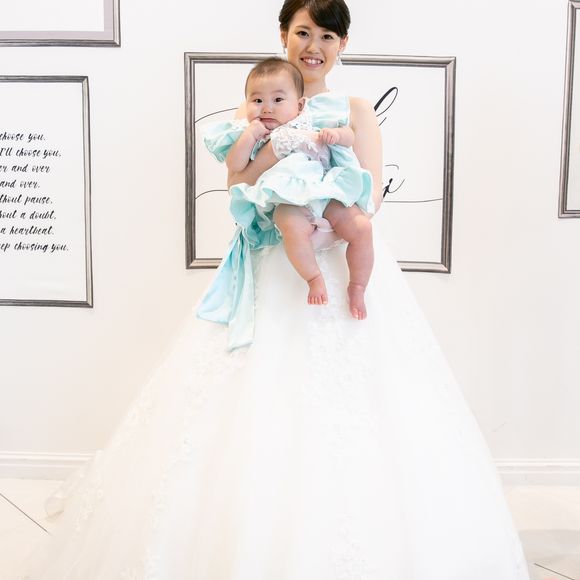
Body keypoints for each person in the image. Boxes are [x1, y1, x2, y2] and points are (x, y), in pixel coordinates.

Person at [19, 1, 532, 579]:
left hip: (337, 254)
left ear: (342, 45)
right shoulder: (257, 106)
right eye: (303, 32)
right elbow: (237, 180)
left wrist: (331, 220)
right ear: (284, 35)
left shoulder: (356, 109)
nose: (314, 46)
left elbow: (370, 190)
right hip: (275, 259)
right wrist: (279, 146)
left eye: (327, 36)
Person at [201, 56, 374, 319]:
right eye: (257, 101)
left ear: (299, 105)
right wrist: (249, 136)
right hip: (288, 200)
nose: (267, 108)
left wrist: (337, 135)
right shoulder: (253, 132)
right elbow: (235, 166)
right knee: (290, 225)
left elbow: (349, 136)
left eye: (278, 100)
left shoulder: (313, 118)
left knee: (361, 227)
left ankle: (358, 285)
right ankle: (313, 277)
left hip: (323, 191)